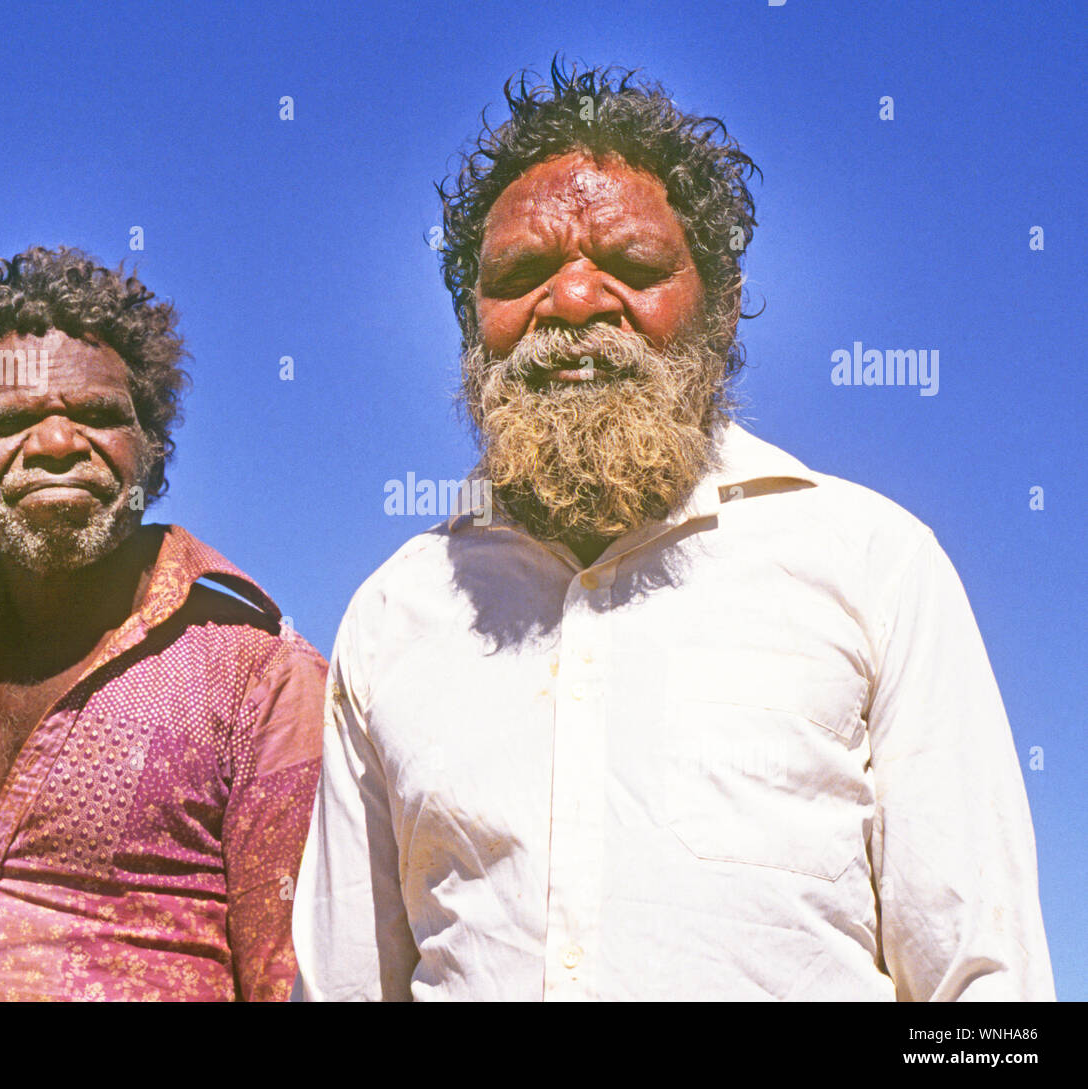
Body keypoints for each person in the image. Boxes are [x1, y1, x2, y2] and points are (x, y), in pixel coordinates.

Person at [291, 62, 1056, 1001]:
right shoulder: (394, 616)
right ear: (470, 324)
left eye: (633, 268)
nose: (572, 304)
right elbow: (346, 983)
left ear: (724, 307)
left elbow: (985, 987)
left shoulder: (873, 567)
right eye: (523, 275)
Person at [0, 246, 325, 1001]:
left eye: (95, 415)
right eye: (13, 419)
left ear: (151, 458)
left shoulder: (260, 680)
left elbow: (293, 981)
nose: (57, 444)